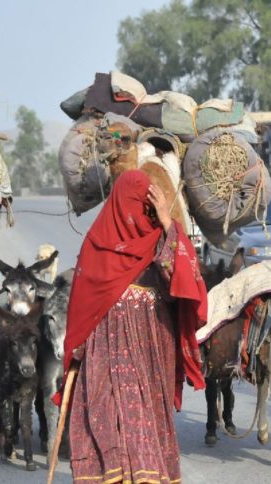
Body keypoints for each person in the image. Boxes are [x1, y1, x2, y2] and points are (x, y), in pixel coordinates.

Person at [63, 170, 207, 482]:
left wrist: (168, 223)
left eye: (144, 205)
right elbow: (81, 303)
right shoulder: (97, 243)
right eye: (133, 203)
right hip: (105, 345)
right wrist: (77, 344)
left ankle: (145, 475)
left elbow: (184, 283)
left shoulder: (162, 237)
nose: (137, 213)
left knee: (143, 414)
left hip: (151, 343)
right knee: (108, 413)